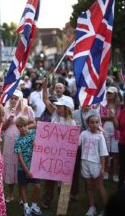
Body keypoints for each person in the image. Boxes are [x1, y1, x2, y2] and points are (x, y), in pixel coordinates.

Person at [41, 77, 76, 209]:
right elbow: (45, 99)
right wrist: (45, 86)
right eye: (58, 106)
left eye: (61, 107)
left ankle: (62, 203)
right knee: (49, 178)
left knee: (63, 179)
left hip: (64, 155)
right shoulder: (54, 114)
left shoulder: (71, 123)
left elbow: (73, 141)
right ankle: (47, 200)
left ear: (67, 109)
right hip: (52, 152)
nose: (58, 108)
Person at [2, 89, 35, 203]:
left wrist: (24, 128)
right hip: (9, 141)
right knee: (10, 166)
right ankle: (10, 194)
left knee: (21, 165)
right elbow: (2, 128)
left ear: (20, 99)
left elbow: (33, 123)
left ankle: (22, 196)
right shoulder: (6, 110)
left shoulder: (27, 109)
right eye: (12, 98)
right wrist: (9, 119)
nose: (14, 100)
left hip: (24, 140)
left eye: (16, 98)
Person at [79, 114, 108, 216]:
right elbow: (76, 144)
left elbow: (103, 153)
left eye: (96, 122)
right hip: (85, 162)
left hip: (96, 163)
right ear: (88, 123)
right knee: (89, 187)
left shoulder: (100, 136)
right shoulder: (83, 134)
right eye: (92, 122)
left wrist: (103, 168)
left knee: (99, 186)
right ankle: (92, 207)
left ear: (99, 123)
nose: (94, 124)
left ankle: (106, 209)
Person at [14, 116, 42, 216]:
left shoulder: (34, 134)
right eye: (20, 127)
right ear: (17, 127)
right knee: (23, 187)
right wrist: (26, 171)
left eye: (25, 126)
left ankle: (34, 206)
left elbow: (43, 140)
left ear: (27, 125)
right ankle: (26, 207)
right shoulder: (17, 140)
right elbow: (20, 157)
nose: (23, 128)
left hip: (35, 166)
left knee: (37, 187)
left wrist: (37, 143)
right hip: (23, 168)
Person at [100, 86, 121, 182]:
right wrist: (110, 118)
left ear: (115, 94)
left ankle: (115, 173)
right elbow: (100, 117)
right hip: (105, 130)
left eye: (111, 93)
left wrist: (110, 117)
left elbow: (120, 118)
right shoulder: (103, 104)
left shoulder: (119, 106)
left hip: (116, 132)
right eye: (108, 93)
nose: (109, 95)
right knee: (106, 152)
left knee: (116, 153)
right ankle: (106, 171)